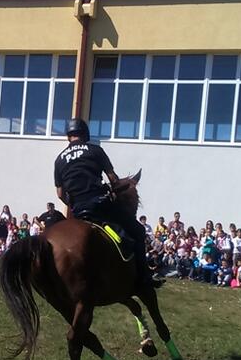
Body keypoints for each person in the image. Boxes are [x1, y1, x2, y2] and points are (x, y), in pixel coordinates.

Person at [52, 119, 160, 288]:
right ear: (85, 134)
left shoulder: (59, 160)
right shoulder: (95, 150)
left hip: (79, 210)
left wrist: (73, 205)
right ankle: (143, 277)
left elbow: (59, 193)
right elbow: (114, 180)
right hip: (99, 204)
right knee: (138, 231)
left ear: (68, 136)